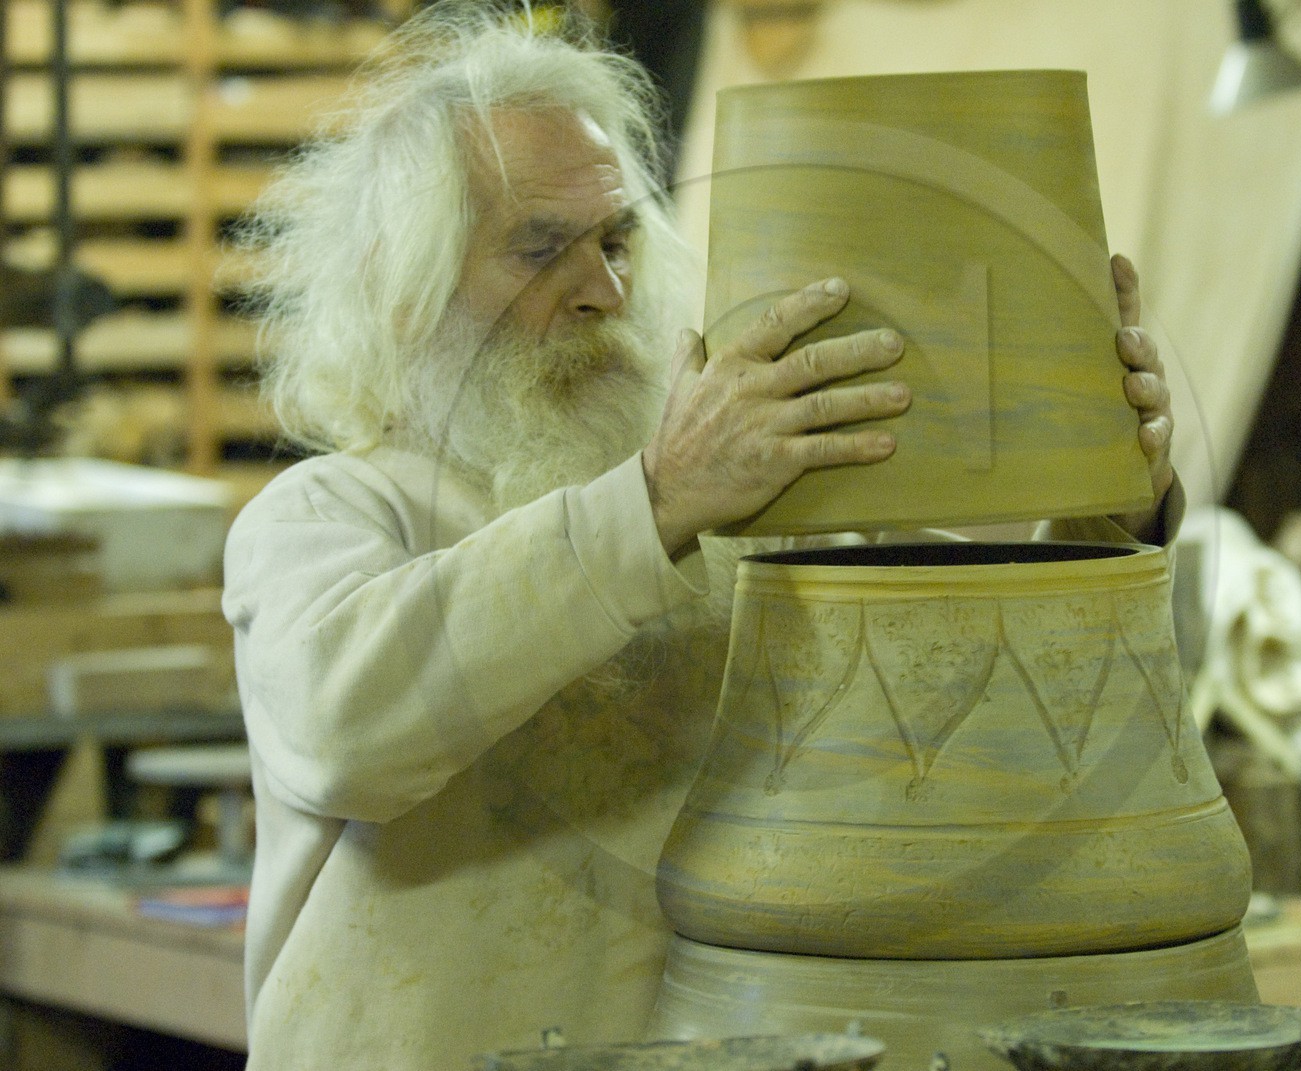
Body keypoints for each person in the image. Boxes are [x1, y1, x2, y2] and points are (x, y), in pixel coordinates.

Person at [223, 4, 1178, 1068]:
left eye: (616, 240)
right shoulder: (329, 515)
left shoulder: (735, 521)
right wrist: (659, 500)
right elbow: (346, 733)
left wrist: (1110, 503)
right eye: (540, 250)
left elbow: (970, 681)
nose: (604, 290)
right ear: (400, 284)